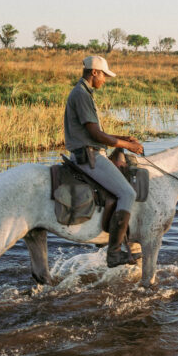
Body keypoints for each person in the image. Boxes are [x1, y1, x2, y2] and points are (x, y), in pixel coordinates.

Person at [64, 55, 146, 267]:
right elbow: (97, 136)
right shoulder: (82, 95)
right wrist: (128, 146)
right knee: (128, 193)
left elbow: (96, 132)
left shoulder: (83, 92)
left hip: (90, 151)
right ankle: (114, 252)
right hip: (89, 156)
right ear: (94, 73)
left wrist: (121, 138)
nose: (105, 80)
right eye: (104, 76)